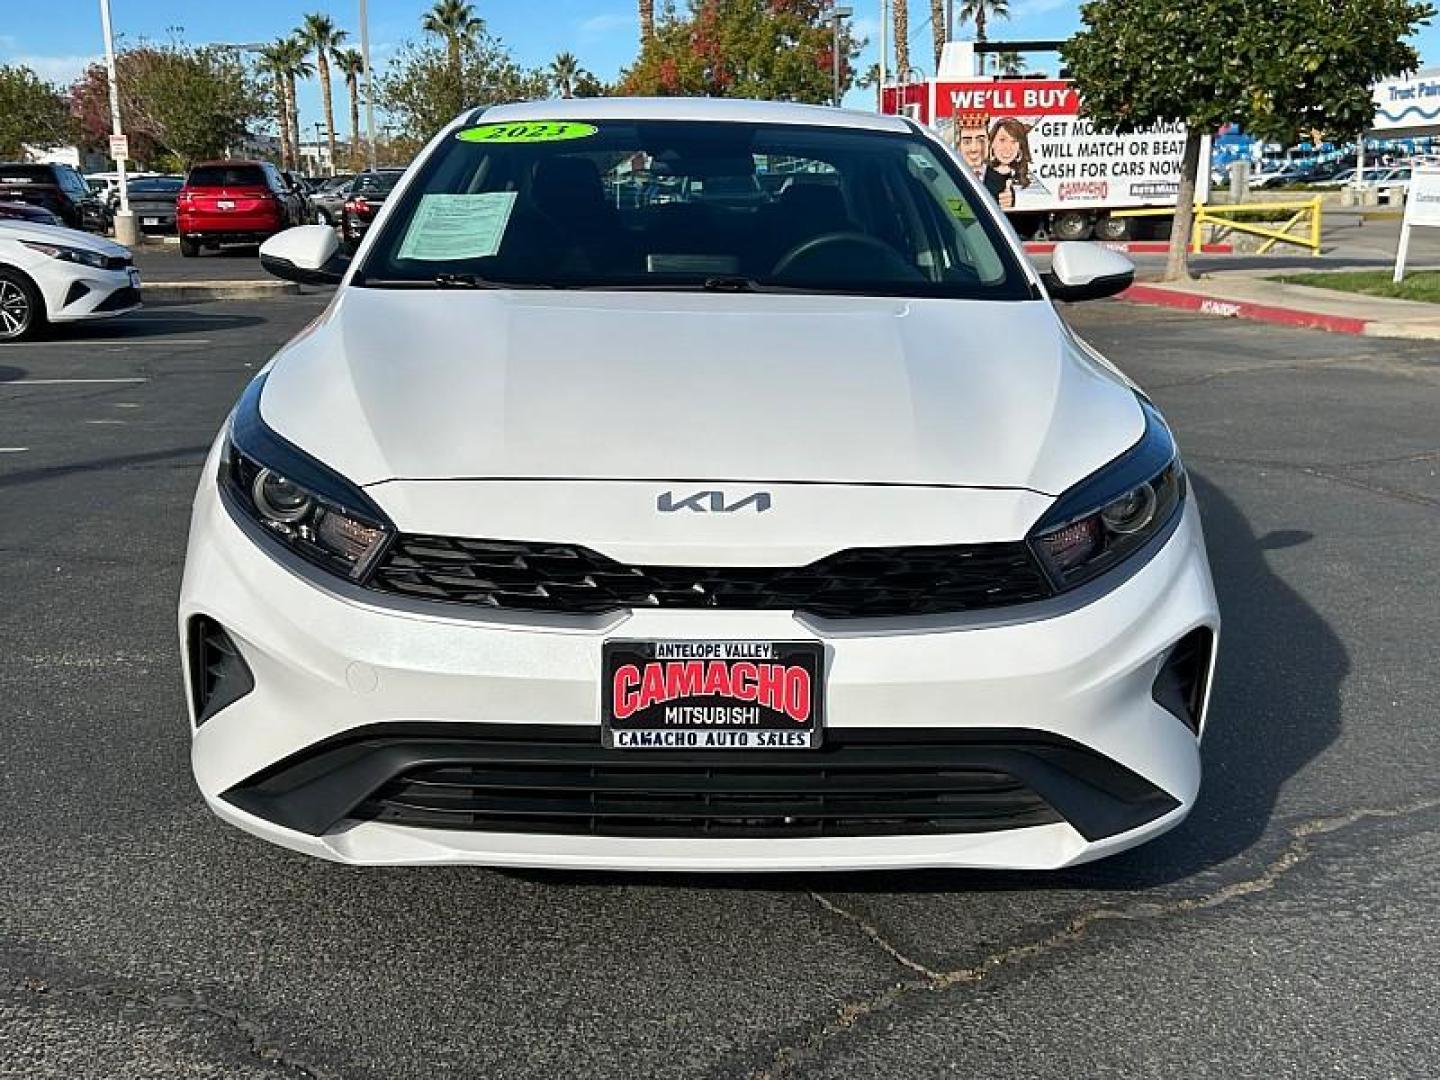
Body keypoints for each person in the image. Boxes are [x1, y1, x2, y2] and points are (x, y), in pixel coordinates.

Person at [954, 111, 1014, 210]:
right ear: (959, 146)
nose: (974, 149)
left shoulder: (1002, 183)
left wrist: (1008, 204)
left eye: (981, 140)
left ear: (989, 143)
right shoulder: (948, 178)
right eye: (967, 141)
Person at [987, 117, 1038, 198]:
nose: (1008, 147)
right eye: (1002, 140)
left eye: (1014, 141)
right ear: (992, 142)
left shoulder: (1027, 177)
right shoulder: (982, 174)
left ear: (1020, 147)